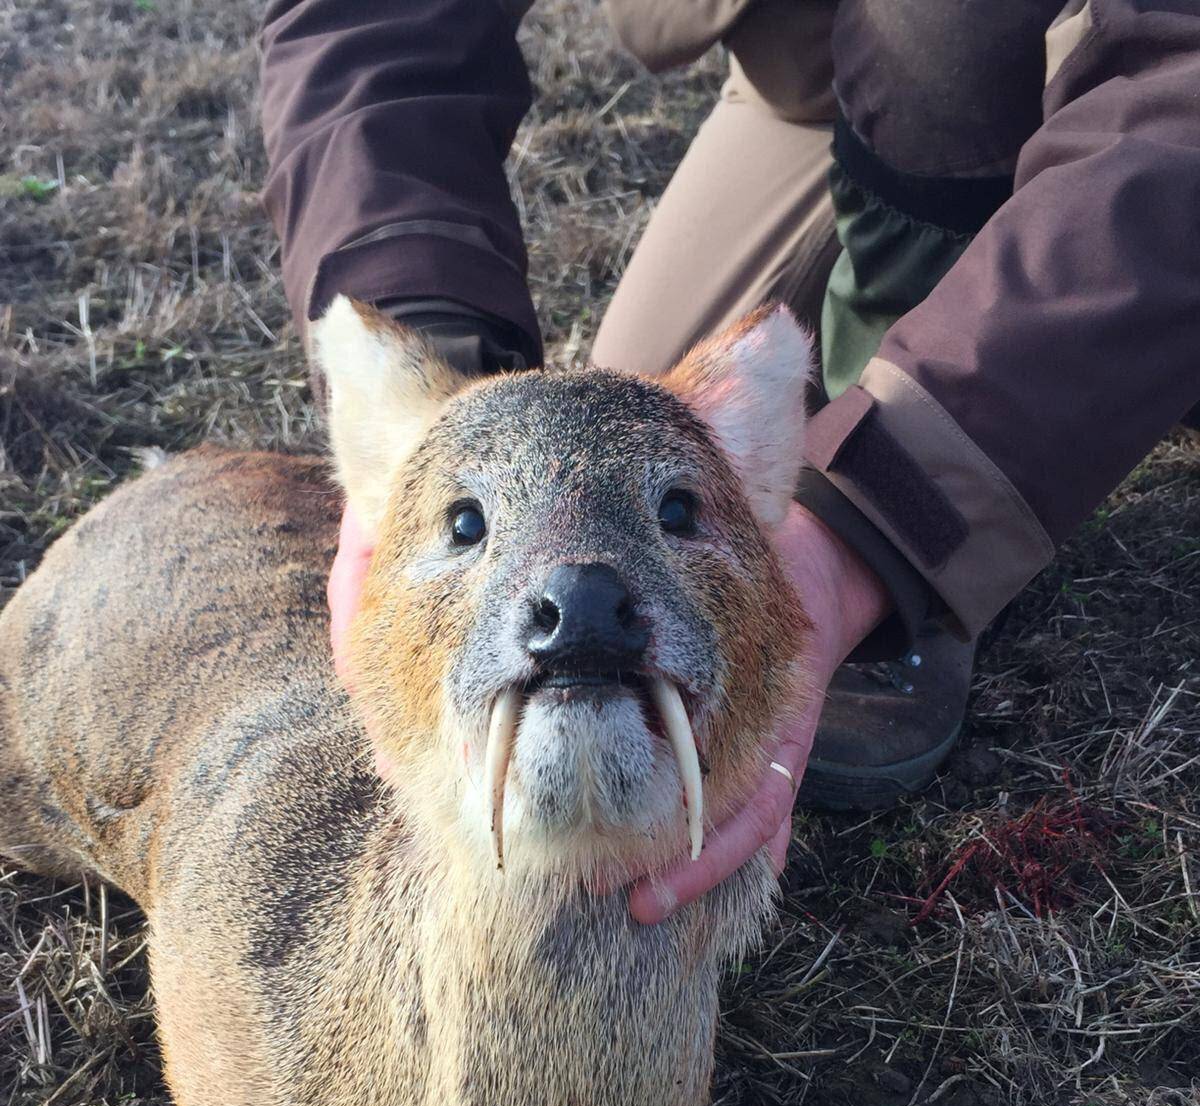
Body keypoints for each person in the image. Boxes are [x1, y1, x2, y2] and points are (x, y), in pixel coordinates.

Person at [258, 0, 1200, 924]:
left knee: (945, 37)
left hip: (1107, 74)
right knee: (629, 439)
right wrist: (426, 403)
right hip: (811, 60)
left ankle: (967, 413)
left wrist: (876, 524)